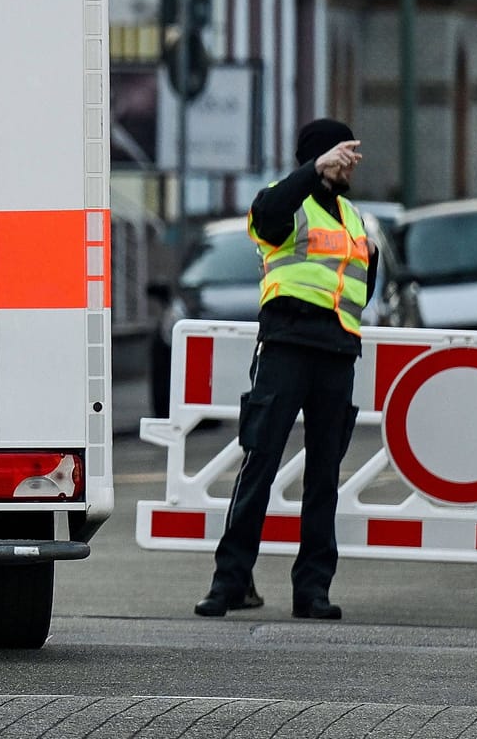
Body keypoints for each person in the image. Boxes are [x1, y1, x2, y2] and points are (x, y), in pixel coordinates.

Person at [195, 117, 373, 620]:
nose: (351, 164)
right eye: (343, 154)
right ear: (319, 156)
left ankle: (312, 590)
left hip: (337, 353)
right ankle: (229, 581)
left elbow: (362, 282)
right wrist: (313, 170)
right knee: (260, 463)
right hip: (287, 347)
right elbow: (266, 213)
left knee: (323, 477)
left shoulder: (355, 218)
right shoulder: (287, 203)